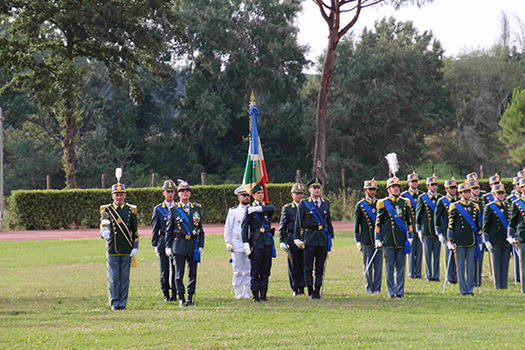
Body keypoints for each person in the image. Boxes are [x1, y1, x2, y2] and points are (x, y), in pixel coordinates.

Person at [100, 178, 139, 310]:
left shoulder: (131, 210)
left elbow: (135, 230)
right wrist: (103, 232)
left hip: (127, 247)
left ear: (125, 195)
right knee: (114, 278)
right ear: (112, 196)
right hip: (113, 248)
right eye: (117, 195)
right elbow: (103, 222)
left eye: (121, 194)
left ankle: (123, 303)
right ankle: (114, 302)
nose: (119, 197)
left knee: (125, 277)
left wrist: (136, 246)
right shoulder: (107, 209)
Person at [165, 181, 205, 307]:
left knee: (192, 273)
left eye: (187, 190)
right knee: (178, 274)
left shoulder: (196, 208)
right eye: (182, 191)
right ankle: (181, 297)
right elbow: (169, 230)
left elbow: (201, 228)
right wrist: (168, 246)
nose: (185, 193)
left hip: (193, 244)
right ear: (178, 194)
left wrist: (201, 245)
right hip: (179, 243)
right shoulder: (174, 209)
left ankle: (190, 297)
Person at [294, 177, 334, 300]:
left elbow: (328, 221)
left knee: (320, 267)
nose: (317, 190)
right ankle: (310, 291)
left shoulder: (326, 203)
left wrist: (331, 236)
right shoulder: (304, 204)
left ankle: (317, 290)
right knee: (308, 267)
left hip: (321, 238)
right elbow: (298, 222)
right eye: (314, 188)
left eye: (318, 188)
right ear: (310, 190)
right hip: (309, 237)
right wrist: (297, 238)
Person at [374, 176, 414, 298]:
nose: (396, 189)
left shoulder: (405, 202)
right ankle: (391, 291)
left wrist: (411, 236)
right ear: (388, 190)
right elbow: (378, 222)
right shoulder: (382, 203)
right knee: (390, 267)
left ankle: (400, 291)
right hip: (389, 239)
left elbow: (409, 221)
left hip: (402, 239)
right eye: (393, 187)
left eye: (397, 187)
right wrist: (377, 238)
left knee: (401, 267)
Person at [241, 185, 276, 302]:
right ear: (253, 195)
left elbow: (272, 209)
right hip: (256, 242)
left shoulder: (266, 206)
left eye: (262, 192)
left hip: (267, 242)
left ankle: (264, 293)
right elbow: (244, 228)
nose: (261, 195)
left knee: (266, 270)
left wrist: (258, 209)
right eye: (258, 193)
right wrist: (246, 244)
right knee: (255, 271)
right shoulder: (249, 209)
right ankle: (255, 294)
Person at [446, 182, 481, 296]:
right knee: (460, 266)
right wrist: (449, 240)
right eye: (465, 192)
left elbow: (477, 224)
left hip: (471, 240)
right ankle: (462, 289)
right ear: (460, 194)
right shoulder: (455, 206)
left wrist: (480, 239)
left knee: (470, 266)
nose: (467, 194)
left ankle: (470, 289)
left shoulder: (475, 206)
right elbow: (451, 224)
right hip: (460, 240)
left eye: (468, 192)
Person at [354, 178, 382, 294]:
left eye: (374, 189)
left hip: (378, 239)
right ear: (365, 190)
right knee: (368, 266)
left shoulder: (380, 204)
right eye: (370, 189)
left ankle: (377, 288)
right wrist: (358, 241)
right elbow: (357, 225)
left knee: (378, 266)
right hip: (366, 240)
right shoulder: (360, 205)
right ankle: (369, 287)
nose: (372, 192)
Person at [151, 180, 177, 302]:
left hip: (176, 240)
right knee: (164, 270)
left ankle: (175, 292)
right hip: (162, 240)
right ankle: (166, 293)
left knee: (176, 269)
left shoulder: (178, 208)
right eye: (168, 192)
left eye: (172, 192)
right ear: (163, 193)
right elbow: (155, 228)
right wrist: (155, 244)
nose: (170, 194)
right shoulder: (158, 209)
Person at [224, 186, 251, 299]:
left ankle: (247, 292)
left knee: (248, 270)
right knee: (237, 270)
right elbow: (228, 228)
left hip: (249, 243)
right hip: (237, 242)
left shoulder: (252, 210)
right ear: (238, 197)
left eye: (248, 195)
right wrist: (228, 242)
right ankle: (238, 292)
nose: (246, 198)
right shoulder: (233, 212)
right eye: (244, 196)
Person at [482, 183, 511, 289]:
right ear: (494, 194)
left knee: (505, 263)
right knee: (496, 264)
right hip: (494, 239)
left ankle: (504, 284)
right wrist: (486, 240)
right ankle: (498, 284)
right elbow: (486, 226)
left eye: (502, 193)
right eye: (499, 193)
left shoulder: (508, 206)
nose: (501, 195)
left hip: (505, 239)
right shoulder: (489, 207)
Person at [279, 183, 305, 296]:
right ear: (292, 195)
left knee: (304, 264)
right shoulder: (288, 208)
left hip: (304, 238)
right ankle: (295, 288)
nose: (299, 196)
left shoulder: (306, 206)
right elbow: (282, 226)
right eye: (297, 194)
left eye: (301, 194)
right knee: (293, 265)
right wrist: (282, 241)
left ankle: (302, 288)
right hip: (291, 238)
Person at [415, 176, 442, 282]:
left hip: (437, 231)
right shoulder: (422, 198)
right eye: (432, 185)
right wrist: (419, 230)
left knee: (436, 254)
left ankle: (436, 275)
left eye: (435, 185)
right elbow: (418, 215)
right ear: (427, 186)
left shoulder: (440, 198)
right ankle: (428, 275)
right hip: (426, 230)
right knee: (427, 255)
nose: (434, 187)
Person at [435, 177, 458, 284]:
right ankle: (450, 277)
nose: (454, 190)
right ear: (446, 189)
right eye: (451, 188)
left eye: (455, 187)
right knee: (448, 255)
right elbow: (437, 218)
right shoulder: (441, 202)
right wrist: (439, 233)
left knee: (457, 256)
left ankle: (456, 276)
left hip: (458, 232)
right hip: (446, 231)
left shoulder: (458, 200)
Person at [401, 171, 424, 279]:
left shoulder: (422, 195)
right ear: (408, 183)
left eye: (416, 181)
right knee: (410, 250)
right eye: (412, 181)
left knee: (419, 251)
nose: (415, 183)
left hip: (419, 227)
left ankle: (418, 272)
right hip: (409, 227)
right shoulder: (404, 196)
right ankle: (411, 272)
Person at [507, 178, 525, 293]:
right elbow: (512, 221)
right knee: (523, 264)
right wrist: (510, 235)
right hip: (523, 236)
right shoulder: (517, 203)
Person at [469, 178, 485, 287]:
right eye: (474, 188)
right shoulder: (467, 203)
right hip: (470, 234)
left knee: (480, 258)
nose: (476, 190)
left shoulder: (482, 202)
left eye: (478, 188)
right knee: (470, 259)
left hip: (481, 233)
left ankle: (478, 280)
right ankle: (471, 279)